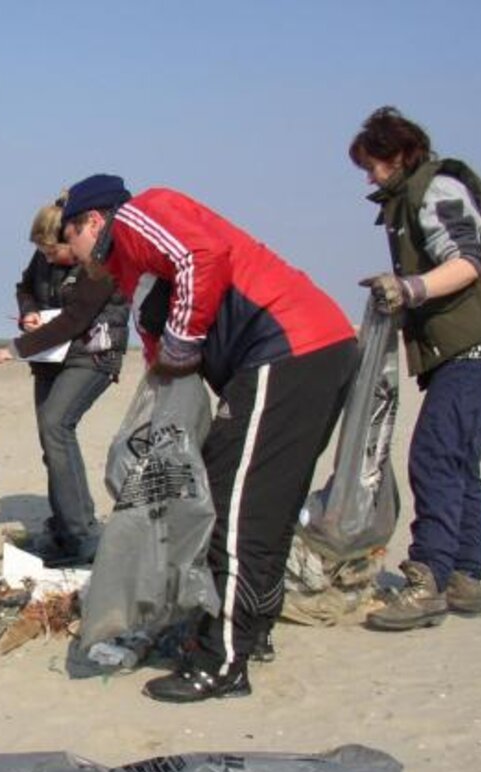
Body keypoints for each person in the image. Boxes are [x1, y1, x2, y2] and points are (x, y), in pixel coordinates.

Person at [59, 174, 358, 702]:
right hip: (309, 352)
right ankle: (252, 631)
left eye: (70, 237)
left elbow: (202, 254)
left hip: (287, 346)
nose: (70, 252)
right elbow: (165, 366)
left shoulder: (137, 216)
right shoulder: (131, 269)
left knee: (229, 507)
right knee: (264, 505)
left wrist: (183, 340)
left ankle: (220, 660)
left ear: (93, 221)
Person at [349, 107, 481, 631]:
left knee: (434, 454)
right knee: (459, 460)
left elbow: (466, 261)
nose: (370, 177)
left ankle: (428, 580)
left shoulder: (434, 188)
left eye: (373, 165)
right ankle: (464, 577)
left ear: (398, 154)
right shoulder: (416, 192)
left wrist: (409, 288)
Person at [0, 199, 130, 565]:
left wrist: (17, 348)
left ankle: (83, 535)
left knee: (56, 423)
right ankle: (64, 531)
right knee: (51, 440)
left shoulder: (100, 263)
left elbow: (73, 321)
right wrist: (29, 313)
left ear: (72, 237)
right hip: (49, 356)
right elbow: (25, 287)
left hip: (92, 354)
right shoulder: (44, 258)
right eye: (41, 252)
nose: (47, 259)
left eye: (53, 251)